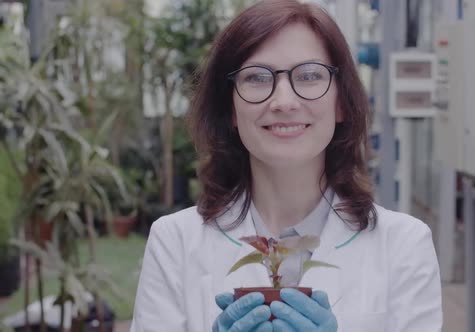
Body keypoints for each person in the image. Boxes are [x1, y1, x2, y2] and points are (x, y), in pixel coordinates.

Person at [130, 0, 442, 331]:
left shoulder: (404, 245)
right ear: (230, 109)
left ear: (341, 103)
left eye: (309, 75)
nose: (283, 102)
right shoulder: (175, 242)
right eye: (257, 78)